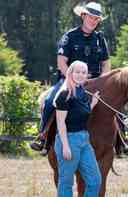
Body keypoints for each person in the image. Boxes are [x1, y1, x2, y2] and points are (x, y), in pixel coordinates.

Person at [30, 1, 110, 152]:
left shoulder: (100, 38)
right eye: (91, 17)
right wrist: (73, 80)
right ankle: (42, 136)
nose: (94, 21)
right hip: (70, 81)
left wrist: (103, 81)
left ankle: (122, 142)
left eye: (96, 19)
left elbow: (106, 63)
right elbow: (61, 63)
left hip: (95, 81)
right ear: (83, 16)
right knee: (49, 101)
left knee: (112, 102)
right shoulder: (70, 36)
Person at [54, 60, 101, 197]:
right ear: (71, 73)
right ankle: (42, 137)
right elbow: (61, 123)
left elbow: (81, 113)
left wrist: (92, 103)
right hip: (69, 139)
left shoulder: (83, 93)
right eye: (77, 72)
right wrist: (66, 146)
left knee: (95, 181)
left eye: (84, 72)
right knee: (66, 182)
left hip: (84, 140)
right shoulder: (64, 94)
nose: (80, 75)